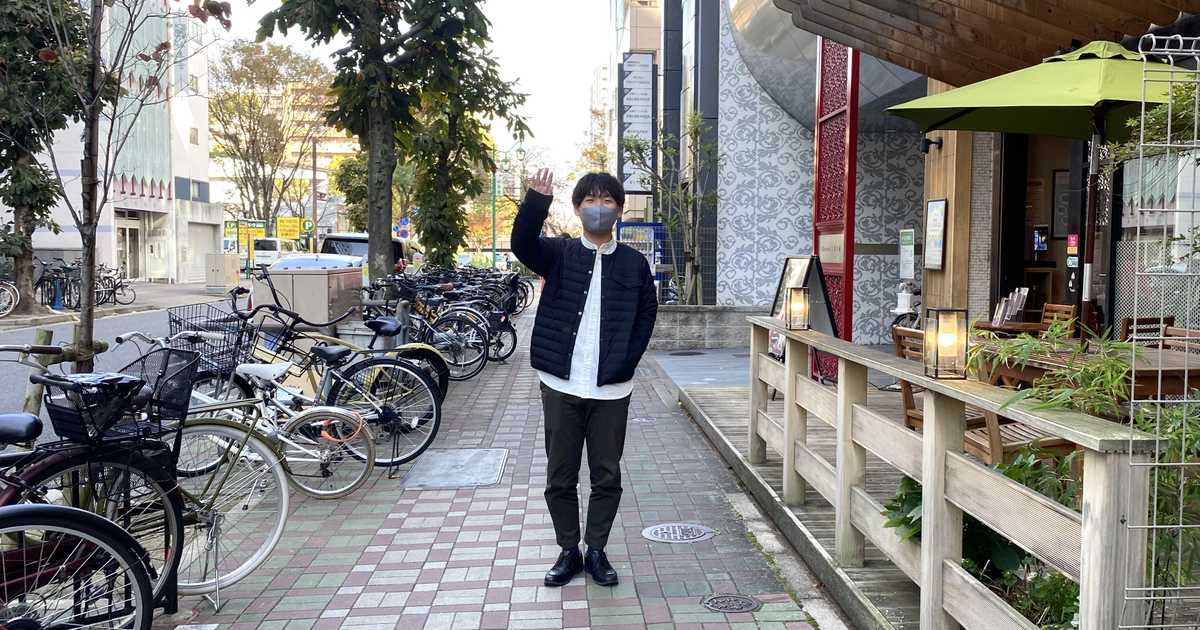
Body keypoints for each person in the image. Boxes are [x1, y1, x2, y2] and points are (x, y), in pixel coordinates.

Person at [511, 169, 658, 588]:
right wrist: (536, 202)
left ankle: (596, 549)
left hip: (612, 389)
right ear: (577, 209)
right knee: (560, 475)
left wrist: (627, 358)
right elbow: (521, 244)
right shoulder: (558, 254)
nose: (599, 207)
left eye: (607, 200)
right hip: (562, 384)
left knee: (606, 476)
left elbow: (647, 314)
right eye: (590, 200)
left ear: (619, 210)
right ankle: (568, 550)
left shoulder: (633, 263)